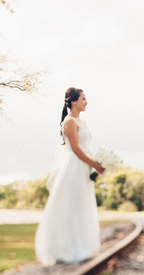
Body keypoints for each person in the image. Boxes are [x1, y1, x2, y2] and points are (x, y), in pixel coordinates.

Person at [35, 87, 104, 265]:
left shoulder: (83, 122)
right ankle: (67, 249)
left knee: (82, 205)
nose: (86, 102)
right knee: (71, 206)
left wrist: (96, 164)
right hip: (74, 166)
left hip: (84, 167)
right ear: (73, 101)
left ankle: (83, 247)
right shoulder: (70, 121)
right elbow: (75, 149)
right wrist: (92, 163)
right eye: (83, 99)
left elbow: (86, 147)